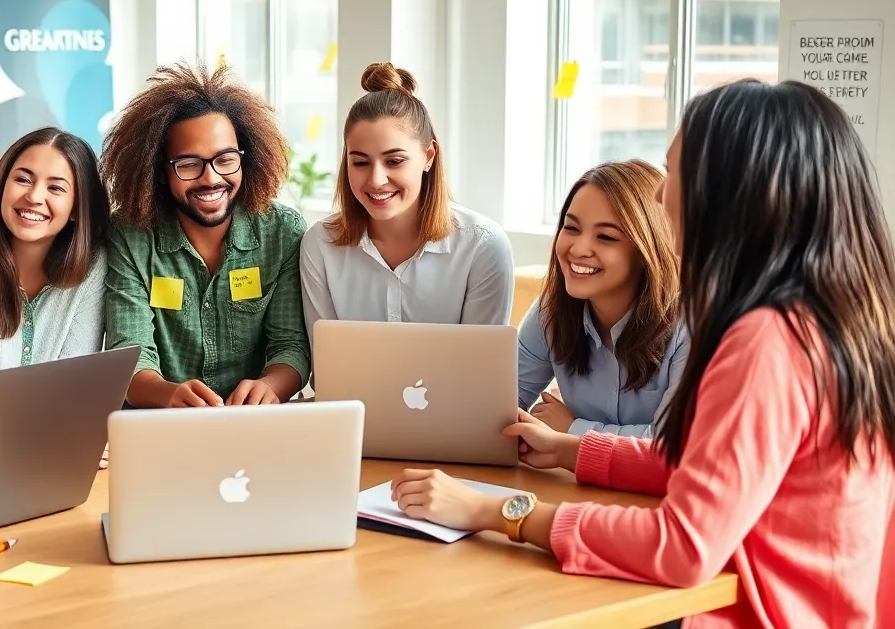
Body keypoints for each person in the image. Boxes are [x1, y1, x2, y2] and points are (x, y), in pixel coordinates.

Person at [389, 80, 895, 628]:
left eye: (674, 172)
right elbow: (697, 466)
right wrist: (570, 452)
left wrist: (494, 510)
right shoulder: (820, 320)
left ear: (729, 193)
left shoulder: (765, 341)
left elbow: (683, 547)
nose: (660, 196)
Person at [100, 61, 311, 408]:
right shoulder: (131, 237)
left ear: (247, 157)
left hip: (257, 425)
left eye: (225, 159)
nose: (211, 179)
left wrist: (270, 386)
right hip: (161, 426)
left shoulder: (282, 233)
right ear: (159, 172)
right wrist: (168, 394)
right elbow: (129, 352)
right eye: (188, 164)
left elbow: (290, 345)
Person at [300, 63, 513, 347]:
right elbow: (326, 367)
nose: (376, 180)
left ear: (428, 156)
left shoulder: (482, 246)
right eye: (360, 162)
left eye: (394, 161)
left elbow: (481, 369)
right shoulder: (319, 245)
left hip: (457, 395)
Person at [0, 127, 110, 444]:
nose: (34, 197)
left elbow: (73, 380)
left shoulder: (93, 267)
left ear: (76, 209)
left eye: (56, 188)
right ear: (2, 185)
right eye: (23, 179)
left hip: (50, 455)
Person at [516, 159, 686, 438]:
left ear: (647, 250)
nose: (579, 248)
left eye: (606, 237)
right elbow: (502, 403)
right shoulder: (551, 311)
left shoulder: (690, 325)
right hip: (568, 481)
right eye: (571, 229)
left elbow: (674, 445)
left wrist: (572, 430)